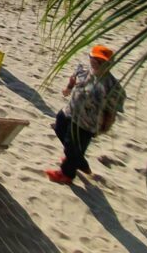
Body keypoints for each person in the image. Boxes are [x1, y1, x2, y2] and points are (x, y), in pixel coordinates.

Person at [46, 45, 127, 185]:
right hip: (70, 111)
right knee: (60, 126)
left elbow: (111, 111)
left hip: (87, 123)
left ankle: (66, 174)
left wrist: (104, 127)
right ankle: (78, 160)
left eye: (101, 62)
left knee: (73, 145)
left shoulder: (112, 86)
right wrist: (68, 88)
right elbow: (73, 78)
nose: (96, 63)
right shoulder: (83, 70)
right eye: (94, 60)